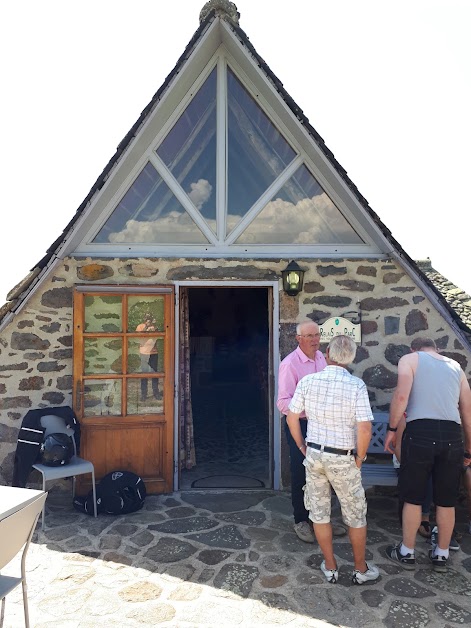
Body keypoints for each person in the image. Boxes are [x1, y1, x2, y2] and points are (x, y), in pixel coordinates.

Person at [286, 335, 379, 584]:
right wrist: (360, 457)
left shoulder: (308, 381)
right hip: (344, 456)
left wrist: (301, 446)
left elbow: (291, 418)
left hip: (315, 454)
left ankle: (330, 565)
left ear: (327, 353)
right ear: (351, 358)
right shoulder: (356, 385)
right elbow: (365, 428)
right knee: (356, 515)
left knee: (319, 512)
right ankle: (360, 569)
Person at [384, 337, 471, 572]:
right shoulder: (456, 367)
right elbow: (467, 414)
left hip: (420, 431)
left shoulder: (410, 359)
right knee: (446, 500)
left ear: (414, 349)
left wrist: (392, 430)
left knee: (413, 496)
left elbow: (402, 397)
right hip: (452, 436)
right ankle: (441, 555)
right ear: (437, 349)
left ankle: (407, 552)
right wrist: (469, 449)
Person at [277, 320, 346, 542]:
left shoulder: (322, 359)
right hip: (302, 424)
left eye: (317, 335)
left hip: (322, 423)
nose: (315, 339)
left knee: (324, 471)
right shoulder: (290, 364)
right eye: (310, 336)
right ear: (298, 339)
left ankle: (321, 519)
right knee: (301, 472)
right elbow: (283, 402)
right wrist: (309, 407)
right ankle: (301, 520)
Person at [136, 314, 160, 400]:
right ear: (144, 319)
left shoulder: (154, 327)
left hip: (153, 352)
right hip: (144, 352)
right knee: (144, 373)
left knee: (154, 373)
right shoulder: (140, 326)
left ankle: (156, 393)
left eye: (149, 318)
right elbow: (139, 337)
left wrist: (155, 327)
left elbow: (158, 336)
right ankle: (143, 394)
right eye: (146, 318)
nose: (148, 319)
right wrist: (146, 327)